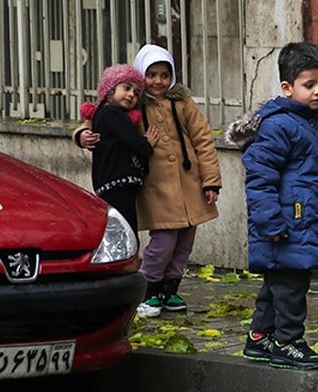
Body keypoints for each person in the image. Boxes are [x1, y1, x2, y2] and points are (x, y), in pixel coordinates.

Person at [225, 42, 318, 370]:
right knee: (290, 287)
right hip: (286, 225)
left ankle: (260, 337)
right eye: (309, 85)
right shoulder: (278, 126)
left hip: (304, 223)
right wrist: (271, 223)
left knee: (278, 282)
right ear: (287, 87)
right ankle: (287, 341)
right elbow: (260, 180)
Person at [78, 44, 223, 318]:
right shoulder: (131, 104)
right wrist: (80, 136)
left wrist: (211, 181)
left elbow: (203, 139)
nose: (158, 81)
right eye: (152, 74)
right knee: (163, 242)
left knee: (184, 242)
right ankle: (150, 288)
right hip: (156, 187)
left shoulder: (182, 103)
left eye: (165, 75)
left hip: (190, 183)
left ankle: (170, 288)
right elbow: (96, 123)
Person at [78, 64, 158, 234]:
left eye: (137, 93)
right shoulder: (111, 114)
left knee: (120, 229)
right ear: (109, 90)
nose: (131, 95)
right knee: (126, 230)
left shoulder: (107, 114)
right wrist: (148, 143)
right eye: (127, 88)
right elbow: (133, 141)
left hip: (112, 184)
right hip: (117, 184)